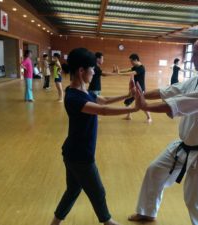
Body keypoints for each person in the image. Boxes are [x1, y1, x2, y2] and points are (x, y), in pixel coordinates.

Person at [128, 36, 198, 225]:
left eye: (196, 55)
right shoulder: (197, 79)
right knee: (155, 170)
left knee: (194, 201)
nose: (192, 59)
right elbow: (170, 91)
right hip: (185, 146)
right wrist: (139, 94)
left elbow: (178, 103)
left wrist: (145, 106)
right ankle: (147, 212)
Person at [50, 48, 140, 225]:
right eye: (92, 69)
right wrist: (133, 108)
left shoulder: (84, 92)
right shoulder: (73, 97)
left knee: (73, 190)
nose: (94, 72)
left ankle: (54, 223)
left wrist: (127, 95)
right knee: (97, 191)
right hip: (80, 155)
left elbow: (104, 100)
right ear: (81, 71)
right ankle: (108, 221)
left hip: (72, 152)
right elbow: (103, 111)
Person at [117, 54, 152, 123]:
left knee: (142, 104)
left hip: (140, 89)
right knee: (127, 101)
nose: (131, 63)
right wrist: (119, 71)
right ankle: (129, 116)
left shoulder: (141, 68)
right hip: (134, 88)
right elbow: (128, 70)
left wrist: (119, 74)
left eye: (131, 61)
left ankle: (149, 118)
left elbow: (131, 73)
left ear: (136, 60)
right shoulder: (135, 66)